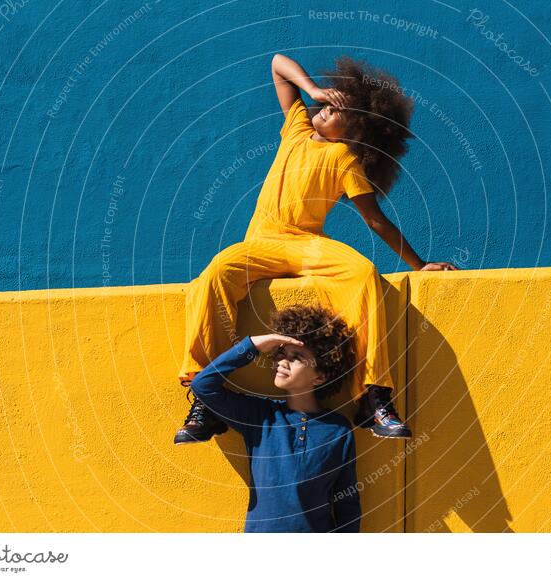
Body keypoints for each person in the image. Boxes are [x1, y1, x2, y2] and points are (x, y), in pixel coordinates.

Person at [175, 53, 459, 445]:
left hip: (306, 245)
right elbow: (278, 64)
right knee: (214, 275)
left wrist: (419, 263)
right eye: (325, 103)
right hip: (262, 243)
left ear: (356, 129)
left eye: (337, 108)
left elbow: (374, 218)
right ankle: (206, 396)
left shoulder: (344, 158)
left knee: (361, 275)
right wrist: (311, 88)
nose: (324, 107)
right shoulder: (296, 128)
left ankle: (372, 396)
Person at [189, 304, 361, 532]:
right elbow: (203, 385)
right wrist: (254, 345)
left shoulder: (338, 429)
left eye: (296, 357)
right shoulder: (260, 416)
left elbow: (347, 505)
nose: (282, 361)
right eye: (281, 353)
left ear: (320, 376)